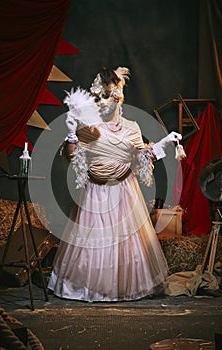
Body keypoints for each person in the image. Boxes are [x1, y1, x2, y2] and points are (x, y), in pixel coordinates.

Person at [48, 67, 182, 302]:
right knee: (93, 246)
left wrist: (164, 142)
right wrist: (71, 135)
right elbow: (71, 157)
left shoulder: (131, 128)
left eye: (106, 96)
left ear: (118, 98)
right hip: (95, 192)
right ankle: (90, 288)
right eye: (97, 97)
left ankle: (123, 287)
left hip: (123, 191)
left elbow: (143, 156)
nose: (100, 102)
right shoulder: (89, 128)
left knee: (127, 245)